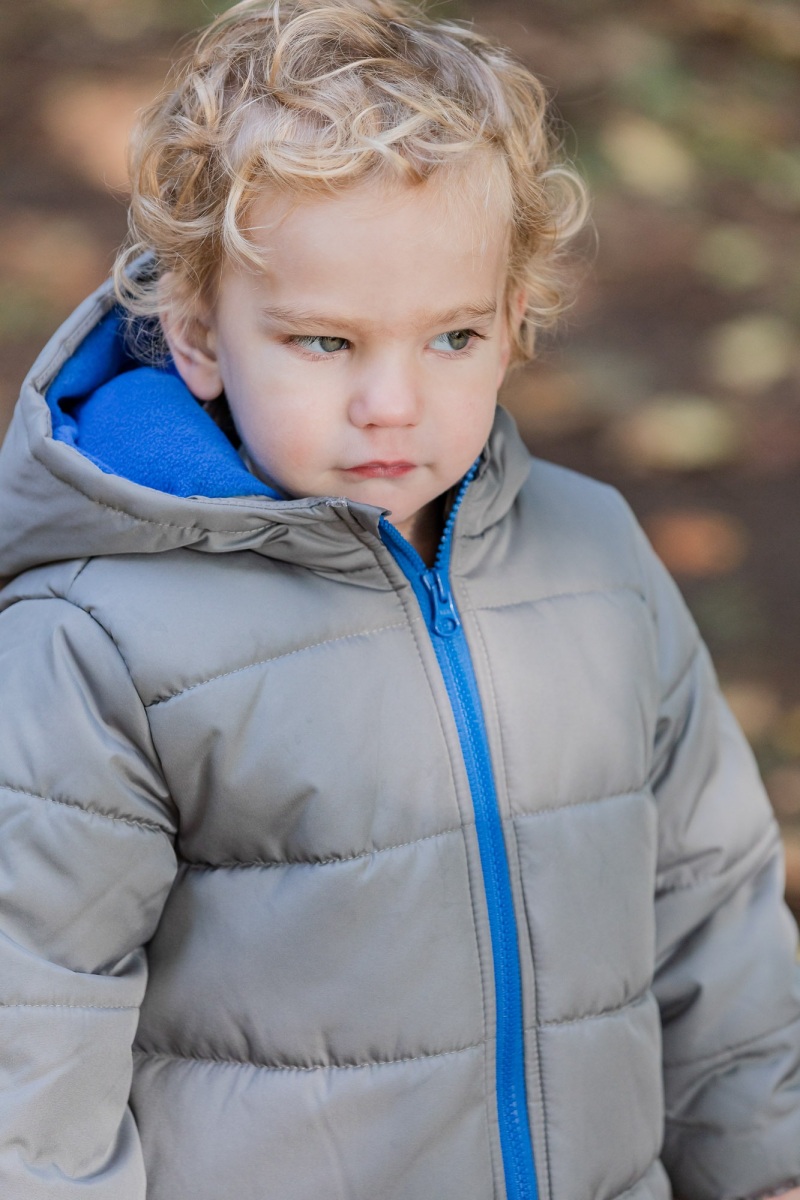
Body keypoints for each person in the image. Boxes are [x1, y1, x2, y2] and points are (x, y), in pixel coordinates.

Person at [0, 0, 799, 1196]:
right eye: (324, 343)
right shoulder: (97, 639)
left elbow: (706, 903)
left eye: (452, 337)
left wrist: (762, 1160)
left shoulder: (594, 559)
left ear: (515, 319)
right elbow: (32, 1028)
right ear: (200, 335)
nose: (393, 403)